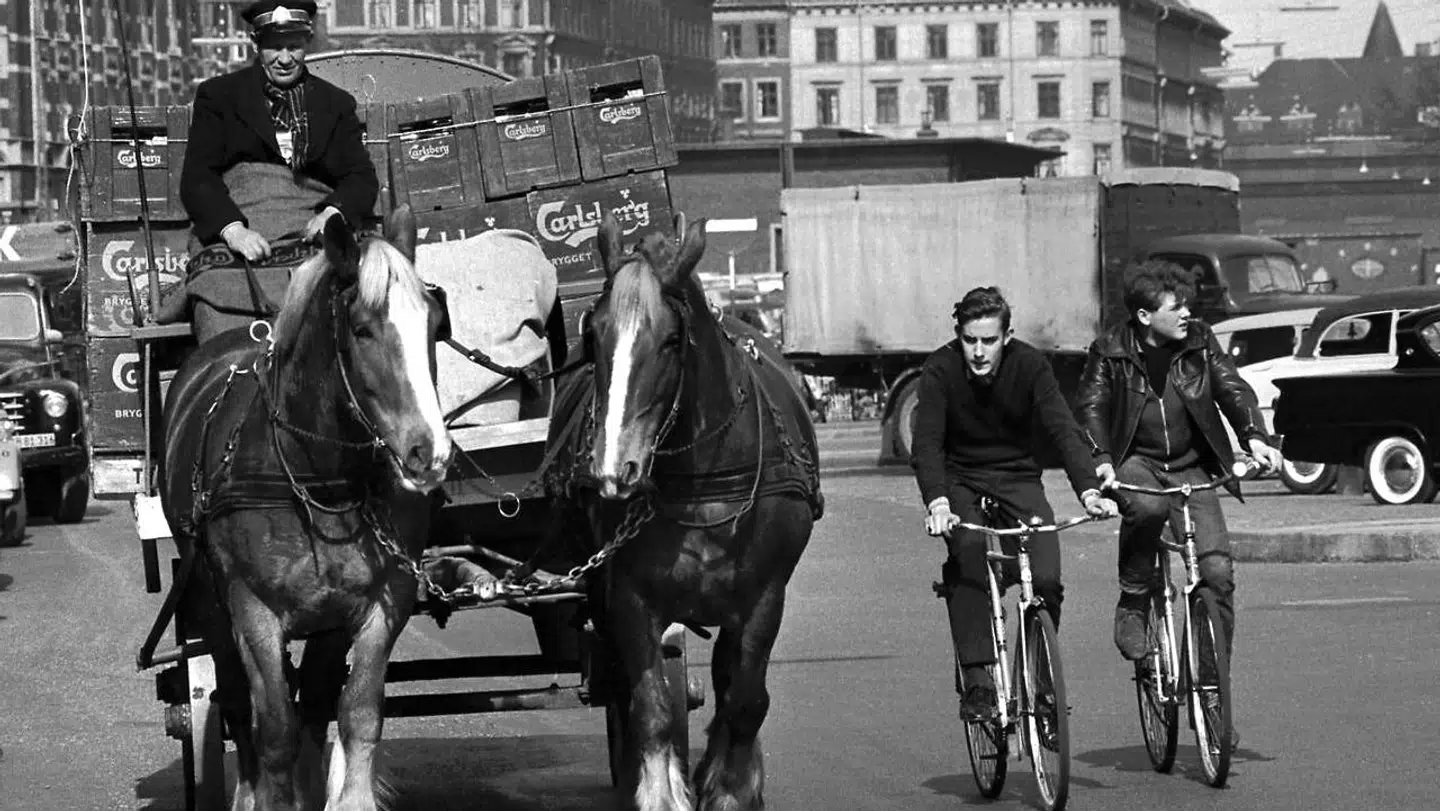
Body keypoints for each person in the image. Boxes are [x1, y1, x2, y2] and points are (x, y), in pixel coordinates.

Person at [1075, 260, 1282, 740]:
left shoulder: (1200, 340)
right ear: (1146, 317)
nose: (1187, 313)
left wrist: (1254, 435)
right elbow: (1091, 407)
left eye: (1188, 304)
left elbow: (1232, 387)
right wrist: (1100, 458)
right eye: (1176, 307)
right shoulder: (1110, 350)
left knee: (1217, 575)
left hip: (1192, 465)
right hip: (1136, 461)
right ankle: (1133, 598)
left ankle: (1212, 691)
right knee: (1145, 509)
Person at [912, 287, 1118, 721]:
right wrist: (938, 503)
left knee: (1045, 576)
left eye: (989, 340)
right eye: (970, 340)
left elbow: (1063, 429)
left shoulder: (1030, 365)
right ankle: (980, 681)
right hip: (960, 479)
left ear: (1007, 336)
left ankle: (1040, 683)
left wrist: (1090, 491)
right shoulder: (939, 370)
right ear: (959, 336)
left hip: (1018, 478)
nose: (979, 352)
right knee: (968, 555)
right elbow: (927, 443)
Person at [179, 0, 378, 262]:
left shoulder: (335, 103)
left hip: (315, 232)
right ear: (255, 44)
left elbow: (360, 176)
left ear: (308, 41)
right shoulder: (219, 97)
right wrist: (233, 231)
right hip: (244, 229)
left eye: (294, 47)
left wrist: (332, 214)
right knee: (215, 293)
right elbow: (198, 177)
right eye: (274, 47)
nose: (285, 59)